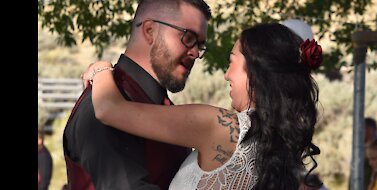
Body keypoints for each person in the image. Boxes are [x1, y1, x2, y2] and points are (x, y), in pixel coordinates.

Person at [83, 23, 322, 189]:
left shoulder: (219, 127)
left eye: (232, 62)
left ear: (256, 71)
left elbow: (108, 109)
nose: (227, 75)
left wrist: (102, 68)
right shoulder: (281, 148)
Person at [63, 0, 212, 189]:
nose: (195, 53)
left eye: (200, 45)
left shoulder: (162, 106)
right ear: (150, 30)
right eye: (188, 38)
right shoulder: (99, 106)